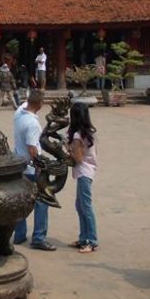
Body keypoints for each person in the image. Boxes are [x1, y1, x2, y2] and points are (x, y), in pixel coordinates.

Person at [12, 89, 55, 250]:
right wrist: (40, 168)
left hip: (19, 164)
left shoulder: (18, 114)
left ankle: (19, 234)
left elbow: (26, 102)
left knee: (21, 200)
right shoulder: (32, 123)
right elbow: (32, 149)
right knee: (42, 201)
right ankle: (38, 237)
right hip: (31, 168)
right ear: (40, 105)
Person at [67, 102, 98, 253]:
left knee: (85, 207)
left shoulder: (78, 135)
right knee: (80, 206)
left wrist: (68, 150)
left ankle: (91, 240)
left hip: (84, 172)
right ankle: (83, 237)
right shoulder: (88, 132)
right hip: (88, 171)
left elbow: (78, 158)